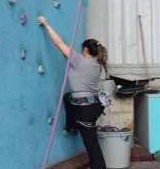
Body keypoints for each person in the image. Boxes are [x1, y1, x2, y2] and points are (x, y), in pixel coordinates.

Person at [38, 16, 108, 169]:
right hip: (94, 105)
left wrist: (47, 25)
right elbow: (75, 61)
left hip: (85, 110)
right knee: (67, 98)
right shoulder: (97, 63)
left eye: (82, 49)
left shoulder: (80, 60)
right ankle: (72, 126)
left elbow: (59, 43)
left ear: (86, 50)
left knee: (91, 145)